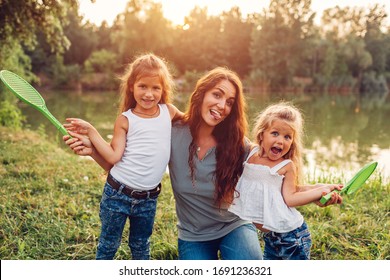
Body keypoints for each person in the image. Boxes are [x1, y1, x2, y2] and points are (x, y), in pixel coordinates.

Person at [64, 68, 342, 260]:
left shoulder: (240, 146)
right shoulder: (171, 129)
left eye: (229, 101)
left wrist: (318, 194)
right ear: (202, 94)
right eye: (217, 95)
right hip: (193, 236)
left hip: (233, 227)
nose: (221, 105)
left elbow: (281, 179)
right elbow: (127, 168)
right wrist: (93, 151)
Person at [63, 53, 182, 260]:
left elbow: (194, 125)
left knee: (141, 245)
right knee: (109, 245)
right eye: (143, 86)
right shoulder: (126, 119)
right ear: (131, 87)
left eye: (156, 88)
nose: (149, 94)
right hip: (117, 194)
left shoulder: (169, 112)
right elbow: (113, 156)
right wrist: (91, 131)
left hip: (148, 199)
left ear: (163, 90)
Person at [228, 102, 342, 260]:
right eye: (275, 133)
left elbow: (290, 197)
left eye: (287, 137)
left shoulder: (286, 166)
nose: (280, 141)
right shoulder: (251, 152)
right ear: (262, 135)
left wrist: (321, 191)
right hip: (271, 237)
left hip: (292, 238)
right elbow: (232, 131)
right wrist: (317, 187)